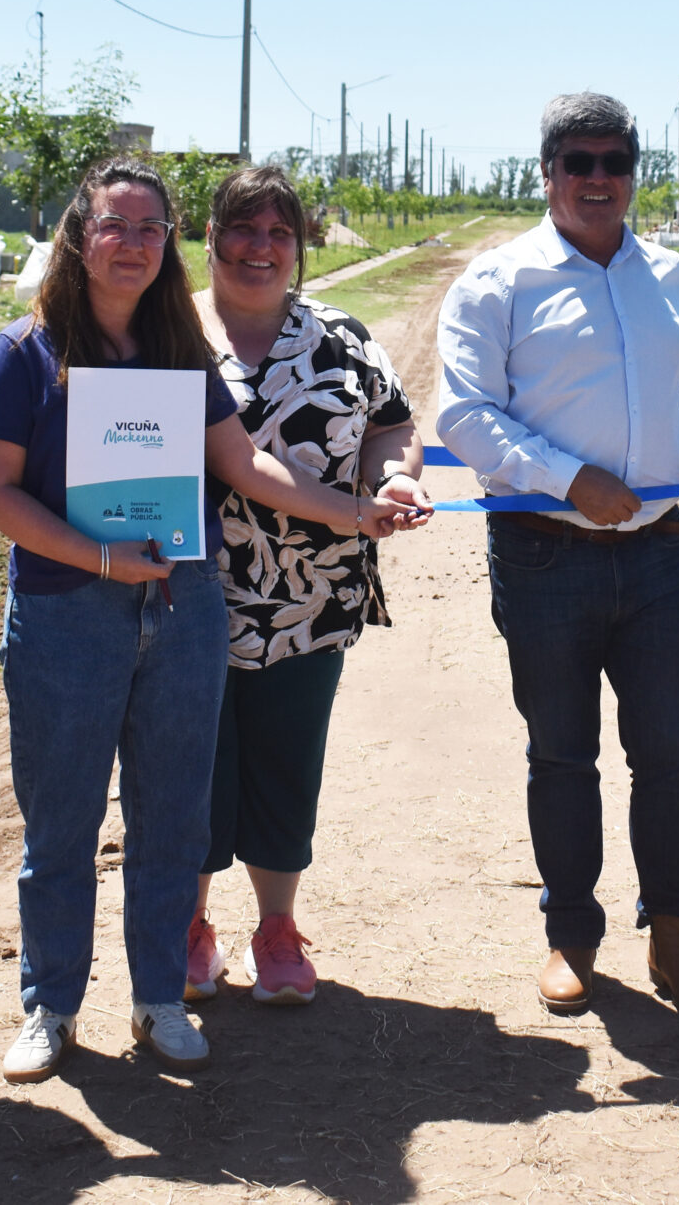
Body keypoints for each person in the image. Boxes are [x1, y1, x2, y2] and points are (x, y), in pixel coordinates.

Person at [0, 158, 423, 1083]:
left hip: (181, 611)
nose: (131, 243)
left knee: (172, 819)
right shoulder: (27, 350)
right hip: (67, 618)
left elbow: (248, 468)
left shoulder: (179, 355)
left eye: (149, 228)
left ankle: (159, 998)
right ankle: (50, 1007)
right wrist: (97, 558)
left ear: (169, 243)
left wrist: (355, 510)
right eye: (113, 224)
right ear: (78, 236)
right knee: (61, 824)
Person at [437, 92, 679, 1019]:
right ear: (548, 173)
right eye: (580, 162)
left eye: (616, 161)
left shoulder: (667, 273)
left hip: (656, 556)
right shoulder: (497, 283)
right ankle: (572, 936)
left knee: (670, 754)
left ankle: (676, 933)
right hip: (543, 555)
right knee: (562, 756)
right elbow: (462, 413)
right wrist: (568, 478)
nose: (599, 179)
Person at [186, 165, 431, 1008]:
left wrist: (392, 478)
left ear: (300, 246)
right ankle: (189, 924)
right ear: (211, 237)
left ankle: (276, 927)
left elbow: (393, 424)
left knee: (287, 762)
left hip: (311, 594)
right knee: (188, 766)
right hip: (180, 595)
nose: (261, 247)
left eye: (279, 233)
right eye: (243, 229)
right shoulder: (164, 329)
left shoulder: (341, 337)